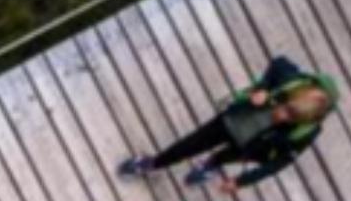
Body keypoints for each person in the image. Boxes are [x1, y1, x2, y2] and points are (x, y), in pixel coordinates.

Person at [117, 56, 335, 193]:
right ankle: (153, 163)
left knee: (225, 157)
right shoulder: (290, 80)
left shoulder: (308, 131)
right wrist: (265, 90)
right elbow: (279, 62)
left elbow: (278, 164)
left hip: (253, 145)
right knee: (192, 143)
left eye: (291, 119)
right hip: (234, 121)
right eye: (285, 108)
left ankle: (211, 165)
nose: (282, 117)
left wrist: (241, 182)